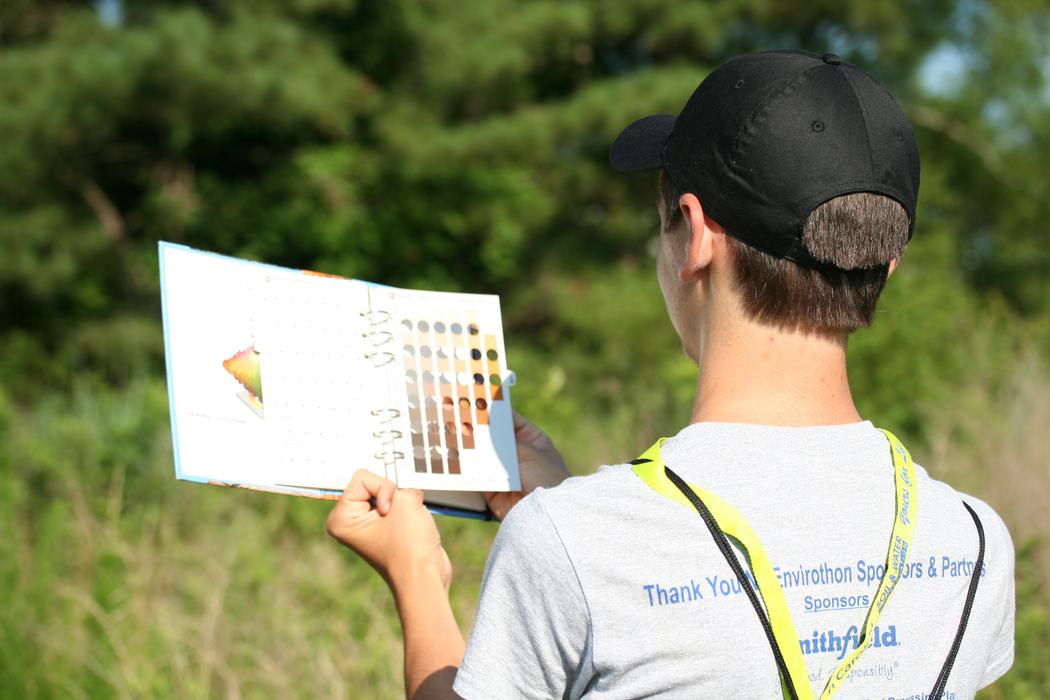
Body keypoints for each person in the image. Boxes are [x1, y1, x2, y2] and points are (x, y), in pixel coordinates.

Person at [325, 49, 1015, 699]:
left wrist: (417, 573)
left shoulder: (570, 542)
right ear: (887, 264)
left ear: (696, 233)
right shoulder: (975, 541)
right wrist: (564, 510)